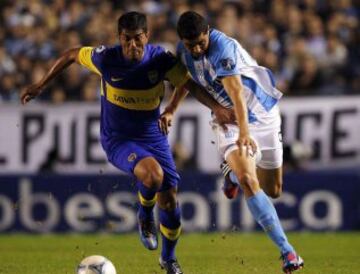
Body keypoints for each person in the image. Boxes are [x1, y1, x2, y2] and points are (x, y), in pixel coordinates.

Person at [20, 11, 234, 274]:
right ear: (119, 38)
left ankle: (168, 260)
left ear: (147, 36)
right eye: (127, 39)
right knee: (152, 176)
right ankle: (145, 215)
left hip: (153, 136)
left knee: (169, 201)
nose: (133, 45)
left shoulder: (161, 60)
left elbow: (187, 83)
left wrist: (178, 110)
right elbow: (72, 54)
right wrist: (41, 84)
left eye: (138, 39)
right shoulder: (106, 58)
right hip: (118, 139)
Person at [160, 11, 304, 274]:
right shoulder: (185, 51)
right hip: (228, 120)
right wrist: (171, 109)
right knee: (249, 180)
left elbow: (236, 91)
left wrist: (245, 132)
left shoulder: (221, 48)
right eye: (190, 45)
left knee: (273, 191)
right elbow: (187, 82)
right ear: (182, 40)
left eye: (200, 43)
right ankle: (288, 252)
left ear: (208, 33)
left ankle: (231, 175)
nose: (196, 48)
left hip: (261, 114)